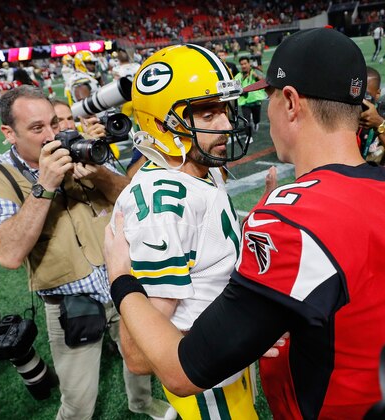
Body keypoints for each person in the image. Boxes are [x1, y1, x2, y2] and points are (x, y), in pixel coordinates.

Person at [104, 28, 385, 419]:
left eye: (268, 95)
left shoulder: (294, 221)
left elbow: (180, 370)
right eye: (210, 111)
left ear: (289, 102)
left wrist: (119, 278)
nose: (228, 122)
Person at [0, 85, 175, 420]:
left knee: (141, 361)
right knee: (79, 401)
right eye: (38, 129)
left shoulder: (80, 146)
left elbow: (131, 200)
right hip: (71, 301)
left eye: (56, 123)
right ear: (9, 133)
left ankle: (140, 402)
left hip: (121, 282)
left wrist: (97, 172)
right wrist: (44, 185)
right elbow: (8, 254)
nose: (54, 135)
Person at [113, 44, 257, 418]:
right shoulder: (163, 207)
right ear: (161, 125)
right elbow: (140, 356)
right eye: (208, 113)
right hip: (207, 385)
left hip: (224, 361)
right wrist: (240, 335)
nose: (226, 124)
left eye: (224, 110)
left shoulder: (197, 168)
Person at [235, 56, 267, 132]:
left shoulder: (256, 72)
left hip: (256, 100)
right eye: (241, 64)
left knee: (256, 118)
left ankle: (256, 123)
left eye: (245, 63)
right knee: (247, 121)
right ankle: (248, 136)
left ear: (249, 64)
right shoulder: (238, 76)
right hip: (245, 102)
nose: (243, 66)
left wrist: (257, 77)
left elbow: (265, 82)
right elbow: (236, 89)